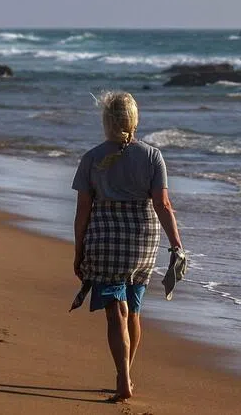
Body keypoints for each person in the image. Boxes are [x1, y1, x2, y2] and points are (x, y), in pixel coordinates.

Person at [70, 91, 183, 402]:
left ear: (107, 121)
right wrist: (177, 245)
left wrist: (78, 251)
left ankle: (123, 380)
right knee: (133, 310)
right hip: (143, 240)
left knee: (115, 313)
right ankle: (126, 375)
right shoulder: (152, 156)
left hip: (105, 238)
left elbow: (82, 212)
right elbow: (163, 204)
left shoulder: (92, 158)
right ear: (134, 121)